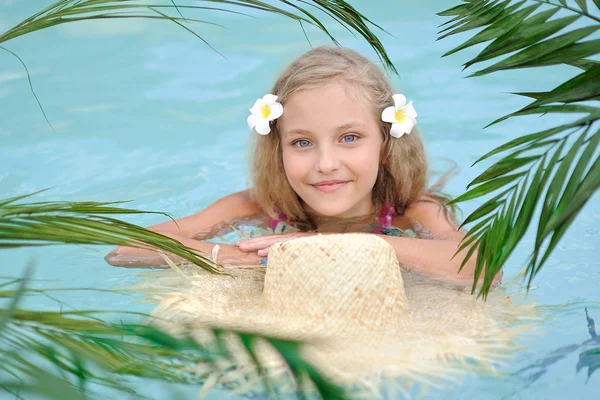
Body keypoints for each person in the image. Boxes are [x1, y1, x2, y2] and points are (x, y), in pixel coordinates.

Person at [106, 46, 502, 287]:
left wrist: (335, 248)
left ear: (385, 144)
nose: (326, 164)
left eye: (350, 138)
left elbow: (484, 271)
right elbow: (125, 249)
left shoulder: (409, 210)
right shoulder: (257, 208)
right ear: (277, 148)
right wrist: (239, 257)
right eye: (302, 143)